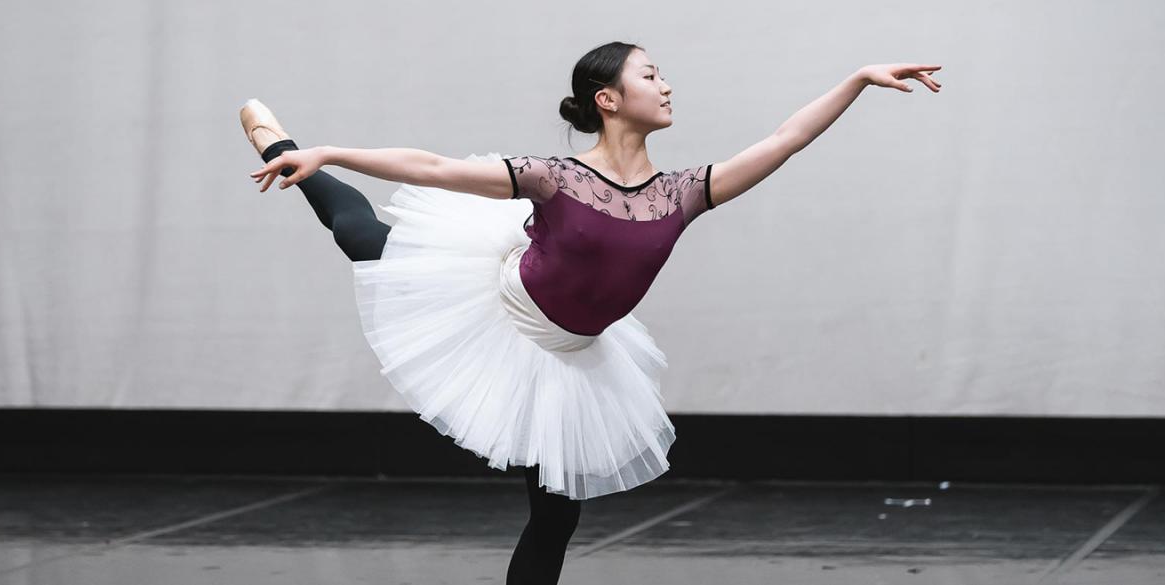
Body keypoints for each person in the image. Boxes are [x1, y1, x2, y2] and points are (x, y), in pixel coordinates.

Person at [241, 41, 941, 585]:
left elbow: (785, 138)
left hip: (573, 355)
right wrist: (330, 150)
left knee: (556, 511)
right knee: (364, 239)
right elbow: (430, 165)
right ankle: (286, 149)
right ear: (608, 98)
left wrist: (855, 79)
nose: (666, 84)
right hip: (499, 316)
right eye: (650, 74)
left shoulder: (682, 192)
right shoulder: (557, 177)